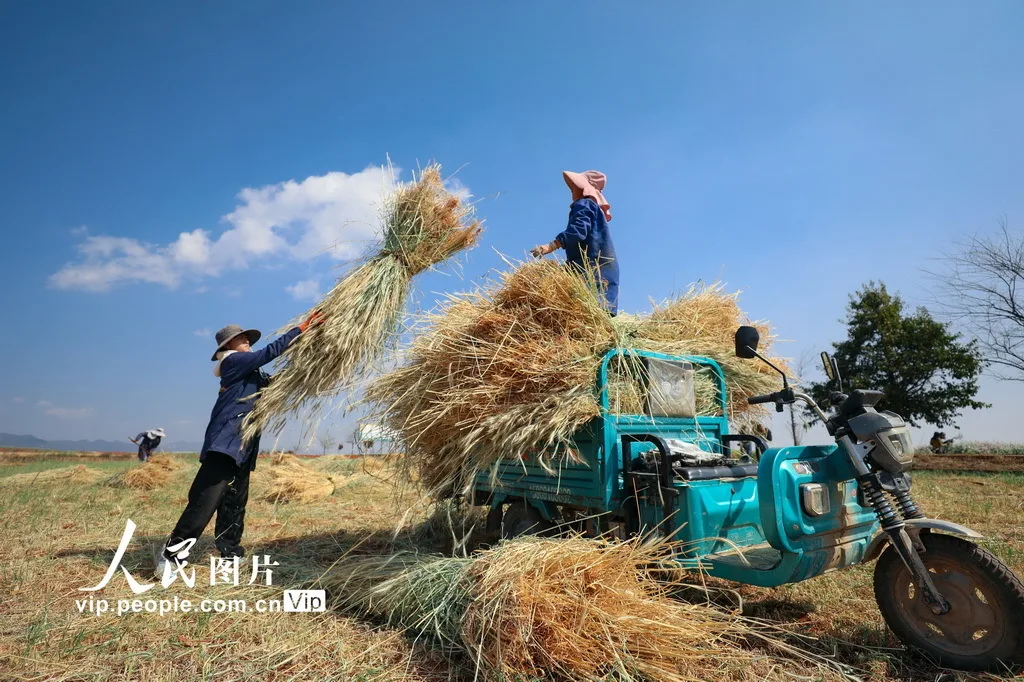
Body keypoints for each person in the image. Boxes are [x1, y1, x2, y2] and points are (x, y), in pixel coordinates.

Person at [155, 313, 323, 577]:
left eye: (245, 336)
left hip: (244, 444)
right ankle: (171, 555)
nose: (245, 339)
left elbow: (276, 384)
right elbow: (270, 351)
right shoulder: (233, 362)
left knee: (234, 501)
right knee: (205, 500)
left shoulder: (252, 373)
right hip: (225, 442)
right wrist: (301, 329)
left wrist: (311, 360)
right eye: (239, 338)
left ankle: (230, 554)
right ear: (226, 348)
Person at [531, 169, 620, 315]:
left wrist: (552, 245)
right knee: (600, 313)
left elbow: (578, 230)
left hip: (591, 266)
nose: (572, 191)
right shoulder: (595, 209)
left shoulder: (584, 204)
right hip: (606, 268)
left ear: (584, 188)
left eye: (574, 187)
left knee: (552, 284)